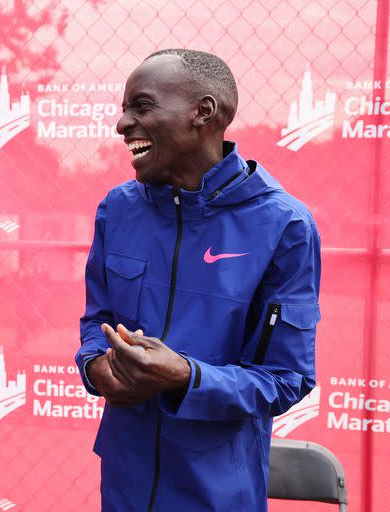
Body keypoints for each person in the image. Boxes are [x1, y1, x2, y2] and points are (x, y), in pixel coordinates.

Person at [76, 49, 321, 511]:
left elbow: (287, 378)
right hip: (123, 486)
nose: (122, 124)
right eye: (125, 109)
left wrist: (186, 377)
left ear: (202, 113)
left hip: (218, 495)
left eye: (141, 106)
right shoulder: (118, 209)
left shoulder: (284, 226)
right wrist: (96, 367)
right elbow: (97, 322)